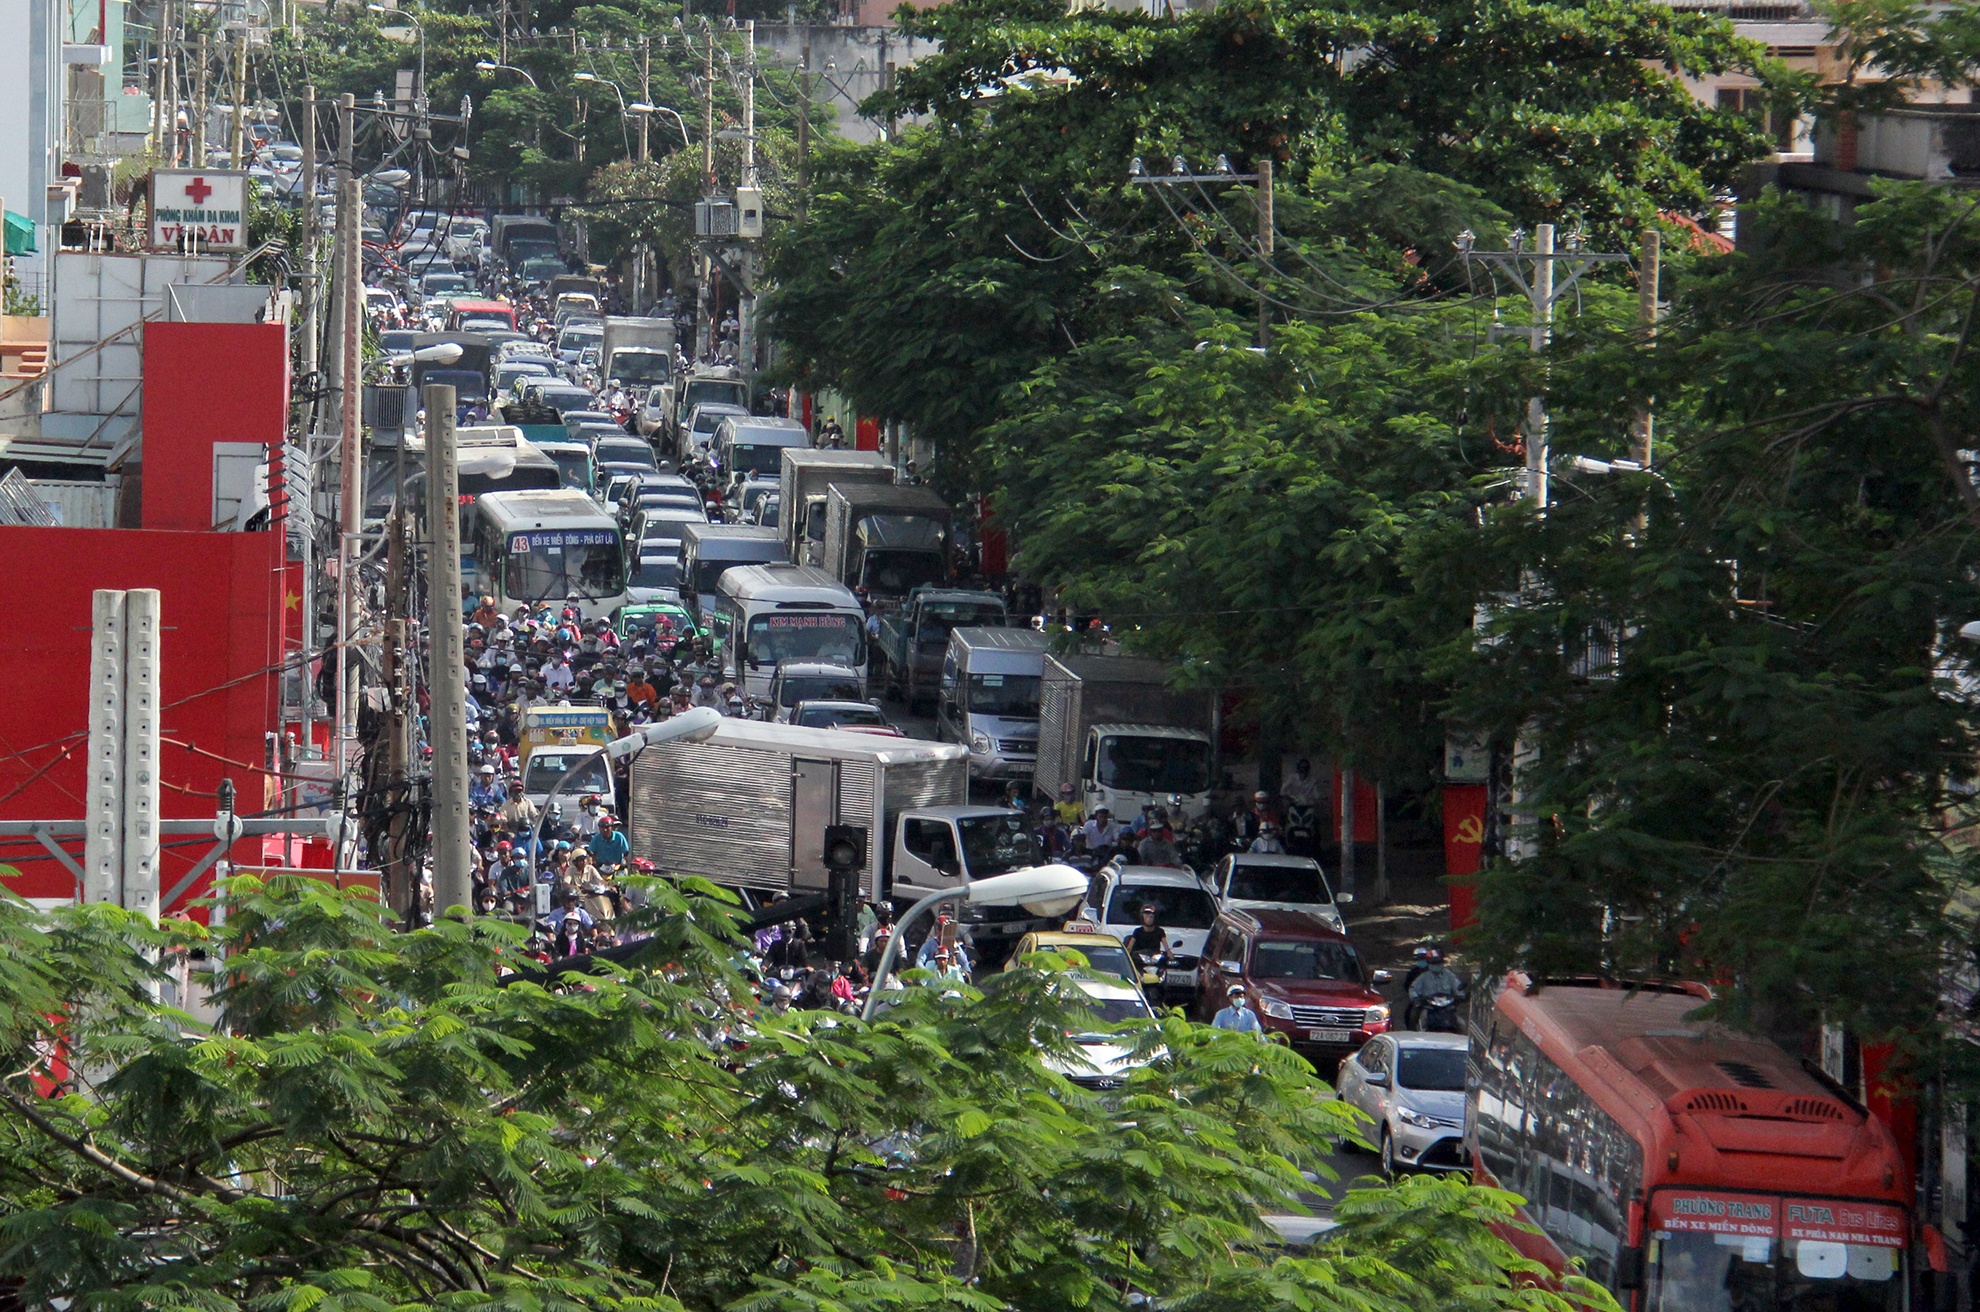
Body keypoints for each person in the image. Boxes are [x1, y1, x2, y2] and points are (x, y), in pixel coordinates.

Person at [1126, 904, 1171, 1006]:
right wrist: (1127, 954)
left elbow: (1166, 946)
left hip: (1155, 961)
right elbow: (1130, 947)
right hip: (1140, 961)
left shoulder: (1160, 931)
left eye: (1151, 917)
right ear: (1142, 918)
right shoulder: (1137, 932)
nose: (1149, 919)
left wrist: (1169, 953)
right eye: (1146, 916)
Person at [1408, 950, 1465, 1029]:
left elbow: (1458, 986)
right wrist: (1416, 998)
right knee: (1420, 1022)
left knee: (1462, 1025)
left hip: (1447, 1008)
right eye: (1433, 963)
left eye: (1438, 962)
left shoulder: (1449, 975)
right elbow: (1413, 988)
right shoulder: (1423, 977)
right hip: (1429, 1008)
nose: (1436, 965)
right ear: (1428, 963)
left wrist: (1460, 995)